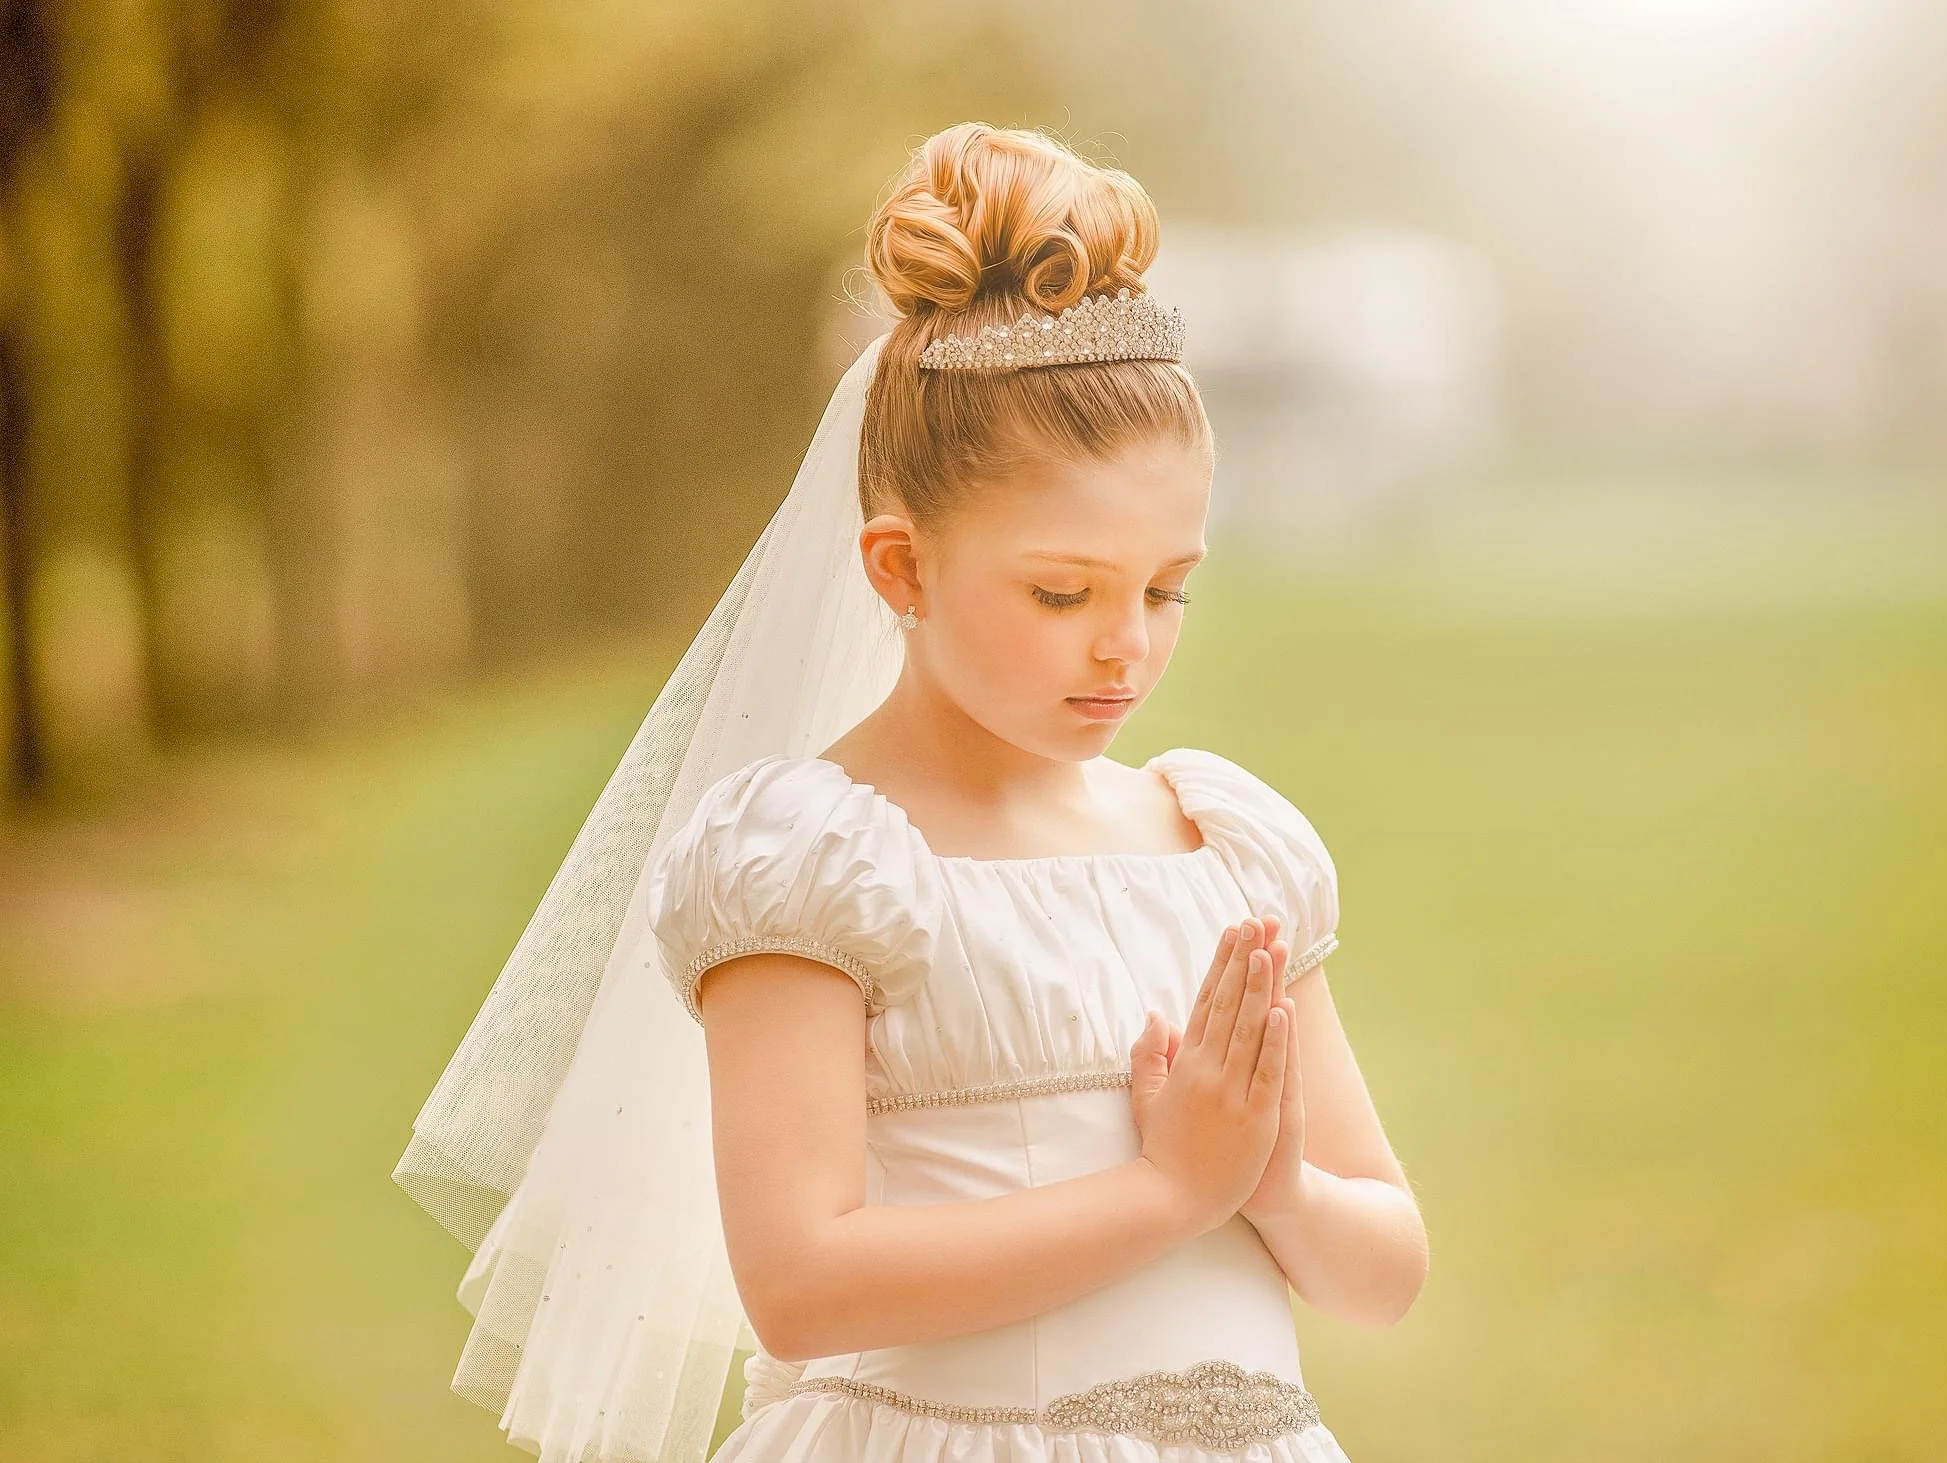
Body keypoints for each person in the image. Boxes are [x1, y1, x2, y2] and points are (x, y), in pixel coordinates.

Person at [394, 121, 1427, 1463]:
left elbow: (1384, 1268)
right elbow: (806, 1281)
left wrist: (1270, 1180)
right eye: (1064, 592)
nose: (1127, 643)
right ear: (899, 566)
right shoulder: (813, 861)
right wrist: (1170, 1188)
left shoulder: (1221, 850)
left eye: (1168, 587)